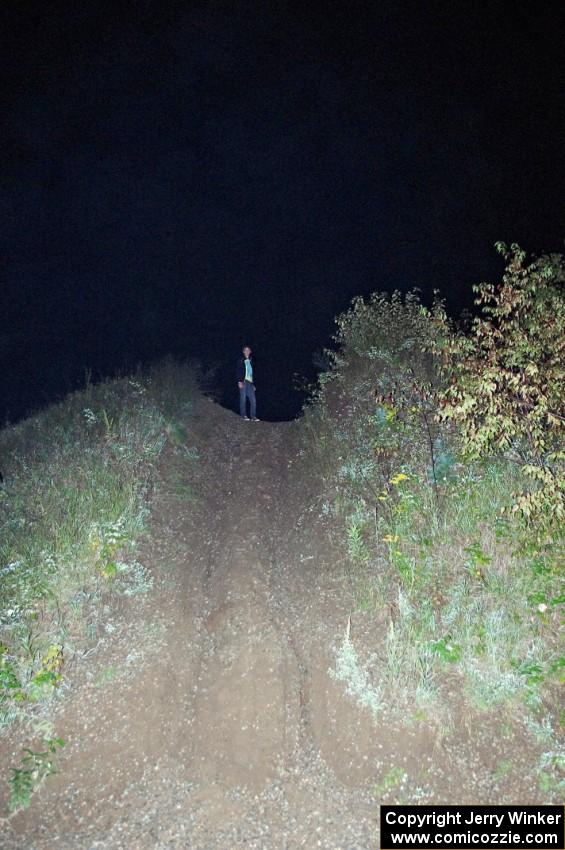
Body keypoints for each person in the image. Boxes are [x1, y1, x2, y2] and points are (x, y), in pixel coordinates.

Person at [236, 345, 259, 420]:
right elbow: (238, 370)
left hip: (250, 382)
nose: (247, 351)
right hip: (243, 381)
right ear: (243, 351)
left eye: (248, 350)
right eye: (245, 350)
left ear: (250, 351)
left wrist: (253, 384)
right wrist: (239, 381)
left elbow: (251, 373)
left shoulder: (251, 360)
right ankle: (243, 415)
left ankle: (253, 416)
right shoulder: (241, 359)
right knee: (243, 399)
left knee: (253, 400)